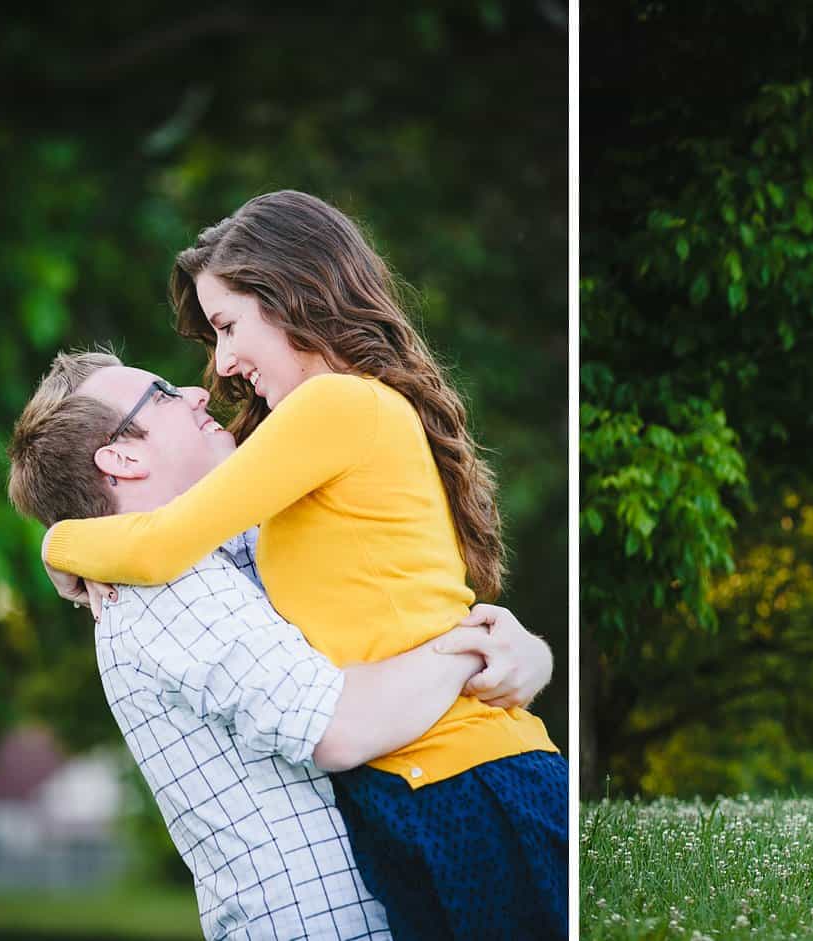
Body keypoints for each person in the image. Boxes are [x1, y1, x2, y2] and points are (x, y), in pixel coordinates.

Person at [36, 192, 566, 939]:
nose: (215, 368)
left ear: (291, 295)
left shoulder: (334, 408)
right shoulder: (291, 471)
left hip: (467, 781)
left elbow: (160, 544)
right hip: (417, 794)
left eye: (227, 326)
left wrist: (57, 543)